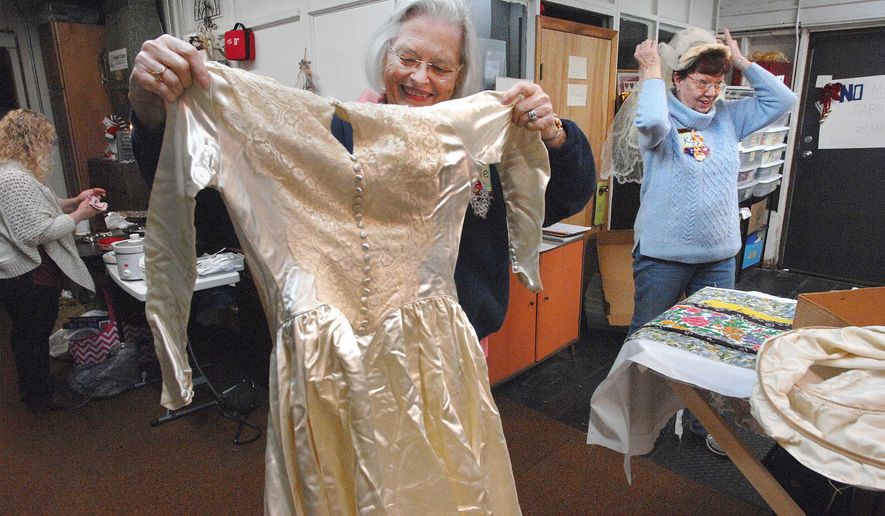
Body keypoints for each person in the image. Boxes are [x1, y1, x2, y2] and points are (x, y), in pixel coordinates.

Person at [127, 0, 595, 342]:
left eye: (440, 66)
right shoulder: (332, 138)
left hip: (458, 356)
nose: (420, 78)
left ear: (460, 74)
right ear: (385, 54)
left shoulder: (482, 146)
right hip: (355, 362)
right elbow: (221, 217)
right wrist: (154, 119)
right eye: (408, 58)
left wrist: (556, 137)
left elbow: (560, 199)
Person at [619, 28, 795, 454]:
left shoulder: (728, 118)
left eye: (717, 84)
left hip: (718, 257)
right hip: (663, 255)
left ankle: (702, 424)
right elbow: (651, 121)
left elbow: (783, 101)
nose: (710, 93)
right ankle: (635, 421)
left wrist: (741, 61)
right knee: (647, 341)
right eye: (701, 82)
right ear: (678, 79)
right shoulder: (660, 117)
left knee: (712, 349)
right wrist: (651, 71)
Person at [0, 109, 105, 410]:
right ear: (30, 140)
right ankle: (40, 396)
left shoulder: (14, 172)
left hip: (20, 273)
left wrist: (74, 201)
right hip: (26, 274)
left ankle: (35, 386)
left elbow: (42, 206)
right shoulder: (14, 178)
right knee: (32, 334)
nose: (49, 147)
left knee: (27, 332)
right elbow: (35, 231)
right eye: (46, 140)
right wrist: (80, 215)